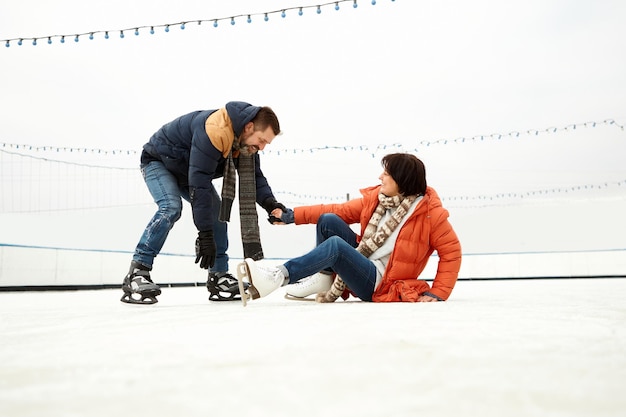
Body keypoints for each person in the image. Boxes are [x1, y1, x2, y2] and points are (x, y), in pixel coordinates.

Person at [120, 101, 292, 305]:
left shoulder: (246, 144)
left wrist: (271, 204)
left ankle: (218, 276)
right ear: (249, 127)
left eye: (266, 144)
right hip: (159, 162)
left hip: (187, 171)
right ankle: (138, 272)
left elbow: (256, 178)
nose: (262, 147)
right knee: (171, 207)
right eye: (262, 140)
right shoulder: (215, 130)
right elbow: (199, 184)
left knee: (217, 215)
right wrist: (205, 235)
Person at [239, 153, 462, 303]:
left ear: (402, 180)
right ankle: (325, 277)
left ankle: (277, 277)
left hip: (379, 282)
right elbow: (339, 209)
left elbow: (451, 252)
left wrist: (438, 293)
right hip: (363, 258)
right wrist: (292, 216)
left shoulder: (430, 215)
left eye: (387, 173)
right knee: (329, 219)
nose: (380, 177)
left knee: (335, 246)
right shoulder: (378, 198)